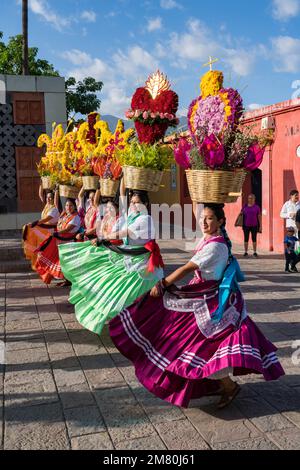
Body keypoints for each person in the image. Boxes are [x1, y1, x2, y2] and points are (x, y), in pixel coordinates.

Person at [109, 204, 284, 410]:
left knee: (203, 346)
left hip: (212, 303)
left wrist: (163, 284)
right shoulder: (210, 240)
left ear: (220, 221)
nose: (204, 222)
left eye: (209, 218)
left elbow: (187, 268)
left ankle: (229, 386)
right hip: (203, 295)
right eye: (202, 217)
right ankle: (219, 383)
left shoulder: (215, 246)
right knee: (191, 340)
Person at [58, 189, 164, 335]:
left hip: (141, 262)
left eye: (137, 203)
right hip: (128, 256)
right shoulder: (132, 215)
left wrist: (104, 238)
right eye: (132, 202)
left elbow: (125, 232)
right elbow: (121, 205)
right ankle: (127, 320)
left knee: (128, 292)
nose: (133, 205)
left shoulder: (145, 219)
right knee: (109, 283)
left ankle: (138, 322)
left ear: (145, 203)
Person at [35, 198, 82, 285]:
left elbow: (68, 229)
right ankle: (66, 280)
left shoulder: (76, 217)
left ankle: (68, 280)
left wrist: (56, 233)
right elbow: (58, 223)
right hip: (60, 240)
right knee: (45, 253)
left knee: (61, 261)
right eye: (67, 205)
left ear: (75, 207)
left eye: (71, 205)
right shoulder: (65, 215)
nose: (68, 207)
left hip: (68, 241)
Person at [23, 188, 60, 270]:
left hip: (50, 231)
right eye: (47, 197)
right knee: (28, 229)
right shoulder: (47, 206)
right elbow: (40, 194)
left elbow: (46, 219)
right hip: (44, 229)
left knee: (32, 229)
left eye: (51, 197)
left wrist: (34, 223)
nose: (48, 199)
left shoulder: (54, 209)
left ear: (54, 199)